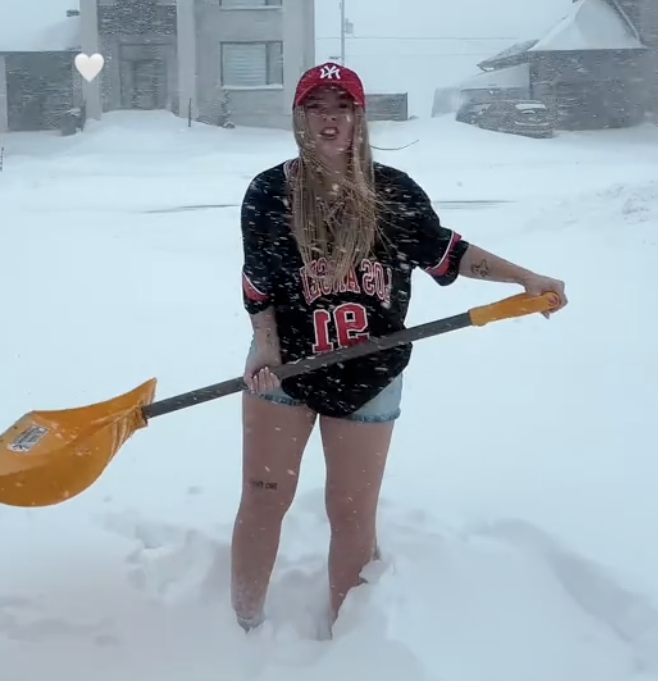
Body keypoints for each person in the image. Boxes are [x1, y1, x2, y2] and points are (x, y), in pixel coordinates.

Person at [230, 62, 568, 634]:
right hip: (284, 372)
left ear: (360, 117)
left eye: (343, 107)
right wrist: (265, 346)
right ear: (299, 117)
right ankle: (239, 627)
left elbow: (449, 253)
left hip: (371, 377)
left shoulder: (394, 193)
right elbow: (257, 283)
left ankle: (351, 643)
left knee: (353, 513)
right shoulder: (270, 192)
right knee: (264, 498)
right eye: (317, 107)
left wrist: (524, 277)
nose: (330, 119)